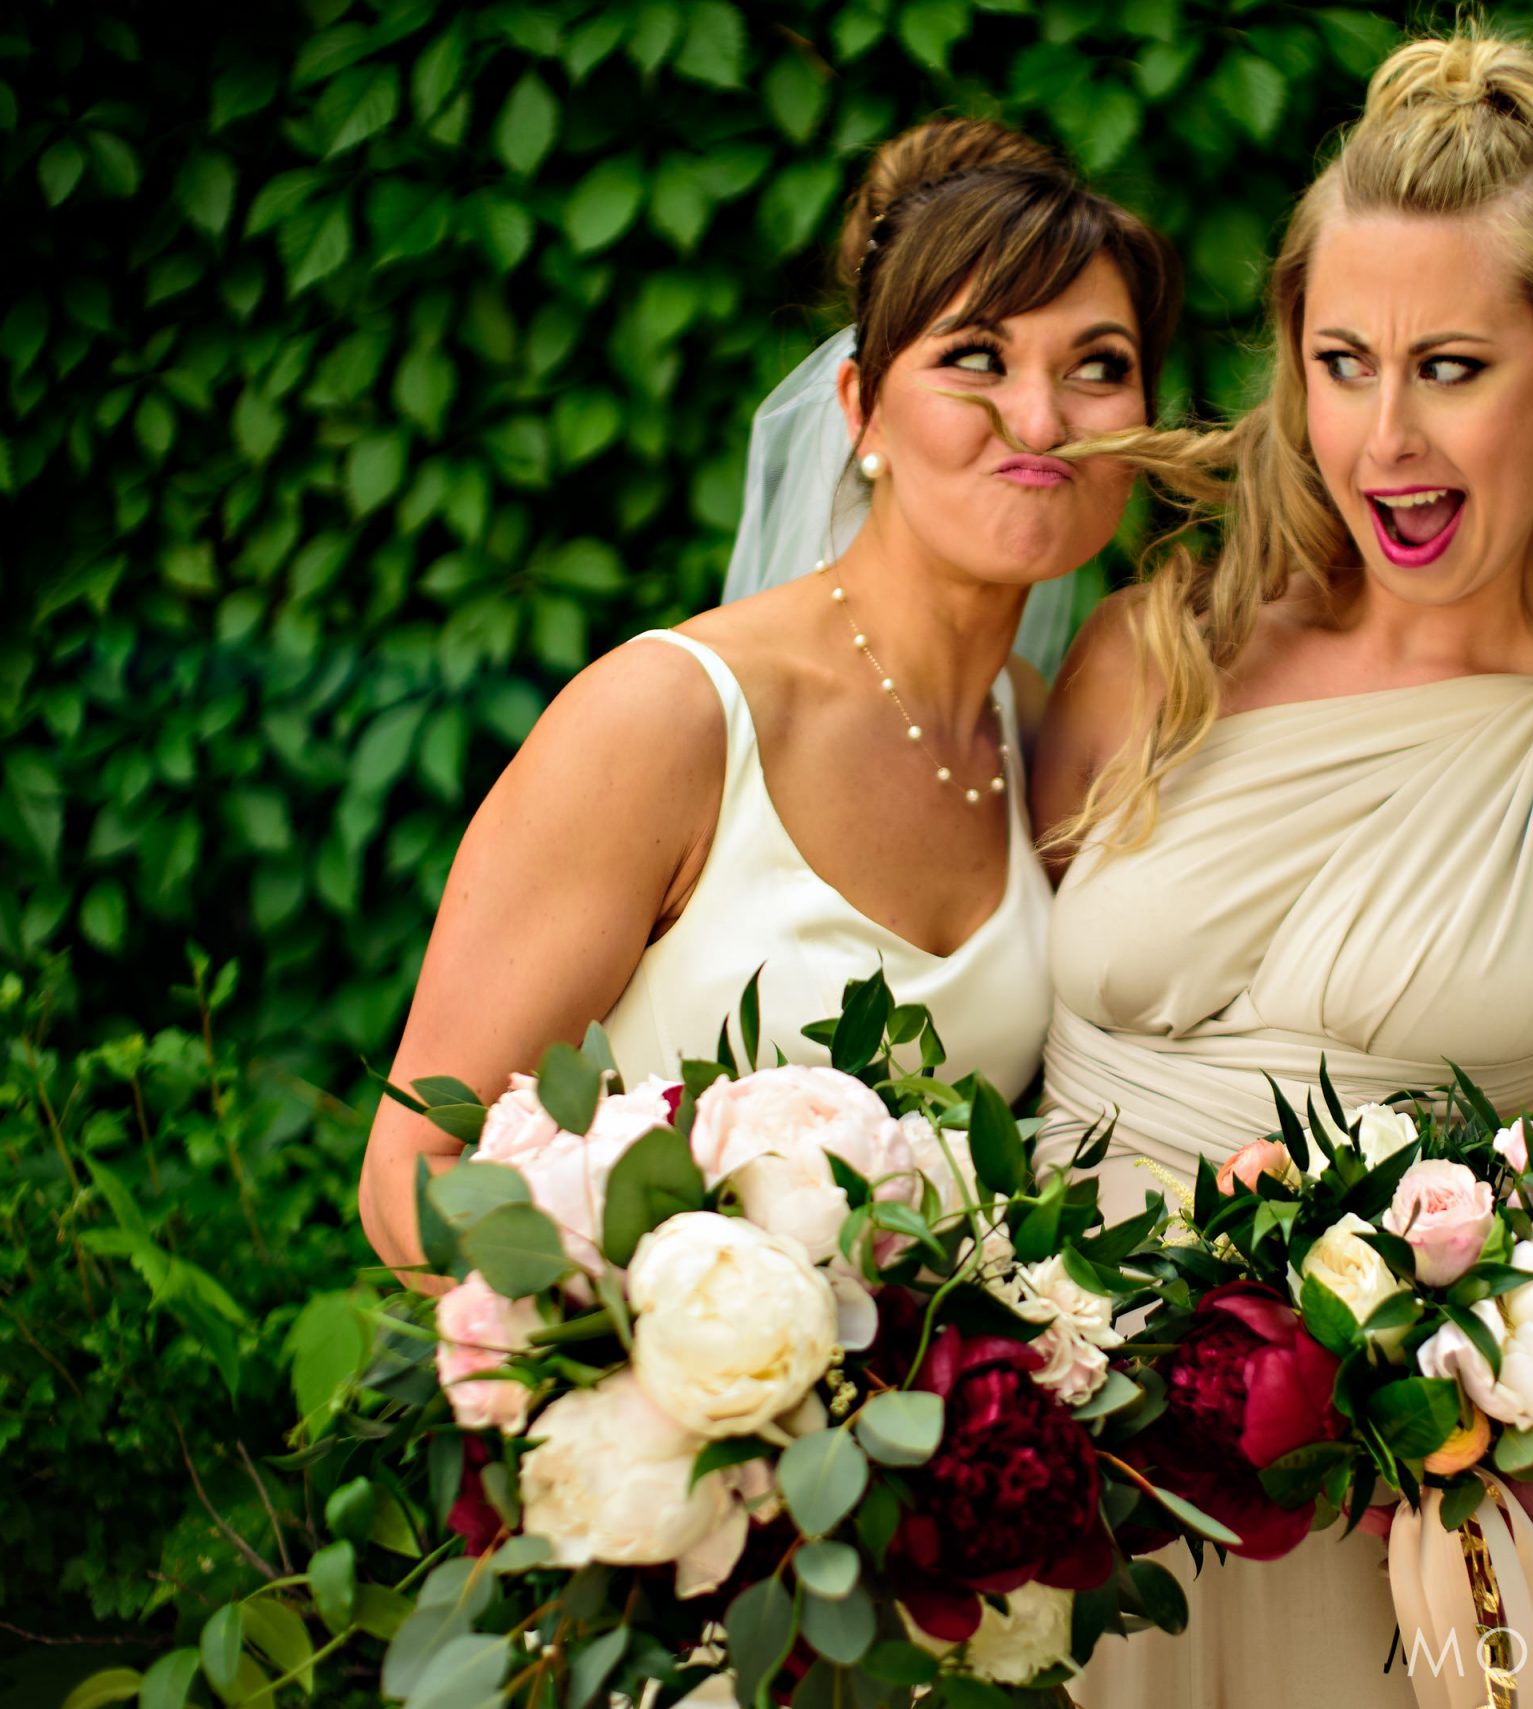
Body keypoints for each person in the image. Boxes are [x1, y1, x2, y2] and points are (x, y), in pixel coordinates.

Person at [1033, 29, 1533, 1709]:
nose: (1384, 434)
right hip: (1060, 1522)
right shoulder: (1151, 655)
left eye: (1452, 366)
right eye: (1342, 359)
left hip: (1404, 1583)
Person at [358, 117, 1181, 1276]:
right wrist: (645, 1362)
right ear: (860, 407)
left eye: (1099, 366)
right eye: (976, 357)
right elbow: (412, 1168)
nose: (1042, 421)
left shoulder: (1039, 727)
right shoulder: (667, 717)